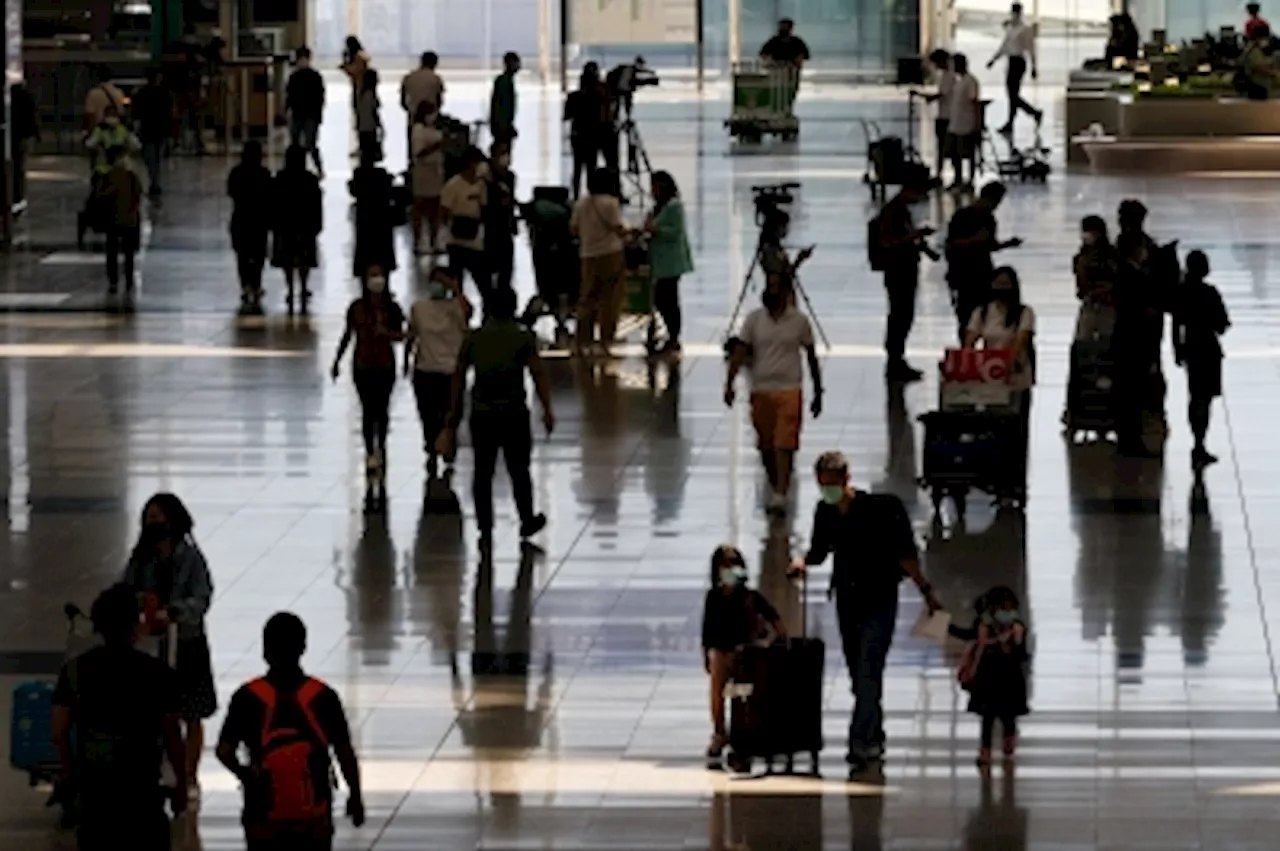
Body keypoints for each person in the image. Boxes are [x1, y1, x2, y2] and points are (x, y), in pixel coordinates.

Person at [793, 451, 942, 775]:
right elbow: (819, 550)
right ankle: (874, 731)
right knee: (858, 676)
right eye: (822, 485)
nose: (827, 491)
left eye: (831, 484)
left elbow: (906, 556)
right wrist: (803, 564)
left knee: (869, 670)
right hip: (847, 602)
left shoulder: (882, 509)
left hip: (880, 600)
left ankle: (860, 741)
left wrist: (926, 592)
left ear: (847, 478)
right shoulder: (826, 511)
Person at [52, 583, 188, 851]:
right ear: (135, 625)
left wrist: (69, 775)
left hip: (96, 794)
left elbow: (59, 732)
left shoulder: (75, 672)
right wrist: (181, 784)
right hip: (142, 791)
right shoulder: (157, 673)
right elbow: (173, 735)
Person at [216, 611, 365, 851]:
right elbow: (344, 751)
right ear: (303, 647)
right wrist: (355, 796)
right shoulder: (323, 695)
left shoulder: (247, 696)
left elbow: (224, 751)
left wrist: (246, 776)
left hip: (262, 813)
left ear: (265, 650)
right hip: (313, 814)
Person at [440, 286, 554, 545]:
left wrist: (453, 412)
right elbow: (537, 374)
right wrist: (547, 409)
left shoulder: (475, 338)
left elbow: (458, 376)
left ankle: (485, 527)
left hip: (482, 414)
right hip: (514, 413)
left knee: (482, 472)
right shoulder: (523, 337)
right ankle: (526, 519)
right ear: (513, 308)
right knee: (519, 470)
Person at [120, 492, 216, 795]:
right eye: (149, 517)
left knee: (193, 712)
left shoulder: (191, 558)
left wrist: (175, 612)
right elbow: (125, 589)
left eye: (159, 517)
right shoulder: (140, 559)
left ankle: (188, 774)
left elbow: (202, 598)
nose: (154, 523)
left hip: (187, 643)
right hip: (151, 645)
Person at [725, 274, 824, 516]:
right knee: (766, 446)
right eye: (768, 287)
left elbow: (811, 355)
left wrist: (818, 390)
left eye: (775, 287)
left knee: (784, 443)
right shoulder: (754, 320)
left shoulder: (799, 322)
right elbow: (740, 351)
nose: (770, 292)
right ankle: (776, 482)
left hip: (790, 388)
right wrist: (729, 382)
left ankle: (780, 492)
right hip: (761, 390)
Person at [701, 545, 786, 767]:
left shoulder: (750, 597)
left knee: (743, 696)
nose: (730, 569)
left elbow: (776, 622)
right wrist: (706, 654)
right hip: (721, 652)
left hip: (746, 654)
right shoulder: (714, 597)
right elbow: (707, 630)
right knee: (716, 693)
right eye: (726, 565)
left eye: (734, 564)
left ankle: (743, 735)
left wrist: (767, 644)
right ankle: (720, 732)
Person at [331, 266, 405, 505]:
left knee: (381, 410)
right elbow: (348, 334)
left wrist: (388, 334)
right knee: (367, 410)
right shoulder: (356, 308)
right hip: (362, 364)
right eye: (372, 275)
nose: (377, 280)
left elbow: (402, 335)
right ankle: (369, 449)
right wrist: (337, 360)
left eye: (379, 275)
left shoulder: (392, 308)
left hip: (385, 364)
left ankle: (381, 446)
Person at [963, 267, 1036, 501]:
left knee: (1018, 431)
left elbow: (1020, 341)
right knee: (993, 429)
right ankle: (995, 477)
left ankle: (1016, 481)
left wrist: (1006, 363)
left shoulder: (1025, 313)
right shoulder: (982, 313)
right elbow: (970, 342)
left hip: (1016, 379)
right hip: (990, 381)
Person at [405, 266, 472, 476]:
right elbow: (412, 334)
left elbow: (468, 312)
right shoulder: (419, 308)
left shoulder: (456, 308)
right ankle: (432, 447)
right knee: (428, 414)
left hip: (451, 371)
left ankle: (448, 443)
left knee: (452, 413)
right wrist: (405, 360)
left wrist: (455, 289)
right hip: (425, 370)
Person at [953, 586, 1031, 767]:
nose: (1007, 612)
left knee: (1008, 716)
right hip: (988, 679)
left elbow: (1022, 655)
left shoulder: (1017, 627)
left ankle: (1009, 739)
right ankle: (985, 750)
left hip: (1010, 679)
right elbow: (966, 635)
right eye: (1003, 607)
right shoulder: (983, 626)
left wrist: (1015, 642)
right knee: (987, 718)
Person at [872, 176, 934, 381]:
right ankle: (894, 359)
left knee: (903, 315)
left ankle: (897, 358)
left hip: (904, 269)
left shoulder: (900, 211)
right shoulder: (892, 212)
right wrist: (913, 236)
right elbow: (888, 242)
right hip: (898, 271)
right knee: (900, 315)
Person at [1174, 250, 1231, 468]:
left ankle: (1197, 441)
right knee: (1205, 398)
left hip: (1190, 349)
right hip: (1208, 349)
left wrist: (1177, 350)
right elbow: (1221, 325)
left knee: (1195, 395)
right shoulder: (1209, 293)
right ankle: (1200, 442)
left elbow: (1176, 324)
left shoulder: (1182, 292)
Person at [945, 182, 1020, 341]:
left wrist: (1007, 244)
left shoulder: (989, 218)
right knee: (966, 316)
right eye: (996, 201)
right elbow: (951, 245)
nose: (996, 206)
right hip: (964, 274)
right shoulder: (962, 217)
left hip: (983, 272)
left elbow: (989, 245)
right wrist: (974, 241)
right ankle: (966, 348)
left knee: (985, 313)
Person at [1064, 215, 1118, 424]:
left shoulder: (1112, 256)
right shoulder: (1081, 257)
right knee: (1081, 348)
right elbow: (1080, 288)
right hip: (1090, 306)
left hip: (1108, 309)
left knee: (1107, 350)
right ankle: (1075, 404)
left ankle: (1107, 398)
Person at [571, 168, 629, 357]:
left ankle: (582, 341)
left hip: (587, 255)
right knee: (610, 300)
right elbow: (618, 228)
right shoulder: (611, 203)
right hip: (611, 254)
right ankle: (605, 341)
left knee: (587, 298)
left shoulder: (581, 204)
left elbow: (573, 229)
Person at [645, 170, 694, 355]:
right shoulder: (657, 207)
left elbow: (675, 231)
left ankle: (674, 336)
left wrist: (656, 229)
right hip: (659, 260)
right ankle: (668, 332)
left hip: (672, 260)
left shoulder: (675, 206)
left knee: (668, 299)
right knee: (661, 298)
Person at [271, 145, 322, 311]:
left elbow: (274, 202)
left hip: (285, 224)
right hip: (305, 223)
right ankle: (304, 285)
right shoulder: (310, 179)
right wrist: (317, 223)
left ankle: (290, 287)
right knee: (305, 257)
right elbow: (317, 204)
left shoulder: (280, 178)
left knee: (287, 258)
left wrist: (273, 223)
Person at [228, 141, 274, 314]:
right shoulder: (264, 173)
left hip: (240, 218)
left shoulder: (236, 173)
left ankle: (245, 284)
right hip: (259, 220)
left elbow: (231, 192)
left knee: (242, 255)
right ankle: (256, 283)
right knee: (258, 255)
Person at [440, 146, 490, 300]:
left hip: (475, 239)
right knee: (457, 280)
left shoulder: (481, 185)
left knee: (482, 279)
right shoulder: (453, 185)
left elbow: (484, 207)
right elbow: (444, 210)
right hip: (456, 240)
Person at [987, 3, 1042, 135]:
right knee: (1012, 94)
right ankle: (1031, 114)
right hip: (1011, 61)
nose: (1014, 15)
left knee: (1013, 94)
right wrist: (994, 59)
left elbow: (1031, 49)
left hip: (1019, 62)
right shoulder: (1010, 29)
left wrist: (1034, 67)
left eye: (1016, 12)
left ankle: (1021, 117)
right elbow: (1004, 47)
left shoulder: (1025, 29)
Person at [102, 145, 143, 299]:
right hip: (129, 220)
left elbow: (100, 196)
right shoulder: (131, 177)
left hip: (113, 219)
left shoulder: (107, 176)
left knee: (112, 252)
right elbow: (138, 195)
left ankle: (114, 280)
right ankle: (128, 279)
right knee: (128, 252)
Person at [350, 148, 397, 281]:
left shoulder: (358, 173)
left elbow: (354, 191)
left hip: (365, 217)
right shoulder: (382, 174)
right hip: (381, 217)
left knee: (365, 251)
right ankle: (385, 282)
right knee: (383, 252)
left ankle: (365, 281)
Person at [564, 63, 609, 198]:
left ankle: (576, 197)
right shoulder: (599, 97)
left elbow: (566, 116)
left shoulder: (573, 97)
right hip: (593, 136)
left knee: (577, 168)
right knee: (591, 168)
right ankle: (591, 197)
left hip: (578, 136)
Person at [410, 100, 446, 256]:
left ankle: (434, 240)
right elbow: (419, 152)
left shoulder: (434, 129)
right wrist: (438, 145)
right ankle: (419, 242)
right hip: (423, 174)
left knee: (435, 210)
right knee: (421, 208)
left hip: (436, 174)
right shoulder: (418, 130)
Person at [132, 67, 173, 198]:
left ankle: (154, 181)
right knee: (158, 158)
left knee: (150, 159)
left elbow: (136, 113)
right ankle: (155, 182)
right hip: (161, 130)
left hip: (147, 130)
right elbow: (170, 114)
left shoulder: (141, 93)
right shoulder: (166, 94)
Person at [286, 46, 326, 176]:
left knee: (310, 143)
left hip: (309, 115)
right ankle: (301, 168)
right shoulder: (299, 77)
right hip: (301, 114)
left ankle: (318, 168)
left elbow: (320, 98)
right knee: (299, 144)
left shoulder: (312, 77)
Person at [485, 141, 519, 291]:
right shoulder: (486, 178)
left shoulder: (510, 177)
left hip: (506, 225)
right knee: (490, 266)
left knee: (507, 266)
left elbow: (511, 201)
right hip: (491, 225)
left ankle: (504, 294)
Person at [402, 51, 445, 166]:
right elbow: (440, 101)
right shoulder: (436, 79)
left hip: (413, 119)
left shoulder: (409, 77)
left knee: (413, 154)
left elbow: (403, 101)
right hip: (432, 122)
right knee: (431, 154)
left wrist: (412, 111)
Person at [945, 54, 981, 190]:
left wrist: (977, 123)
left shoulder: (971, 81)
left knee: (968, 152)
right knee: (954, 152)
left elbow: (975, 102)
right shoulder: (958, 82)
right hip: (955, 122)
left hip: (966, 123)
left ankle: (970, 180)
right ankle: (958, 178)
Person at [925, 49, 955, 181]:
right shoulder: (945, 75)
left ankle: (941, 173)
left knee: (944, 145)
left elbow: (943, 93)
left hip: (947, 115)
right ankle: (939, 172)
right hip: (944, 113)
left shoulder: (949, 76)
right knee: (942, 146)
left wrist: (928, 97)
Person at [490, 51, 521, 147]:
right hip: (501, 127)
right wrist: (504, 127)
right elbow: (500, 107)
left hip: (503, 126)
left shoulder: (507, 81)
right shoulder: (504, 82)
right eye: (516, 63)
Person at [1239, 23, 1278, 99]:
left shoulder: (1257, 49)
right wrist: (1275, 73)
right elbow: (1259, 68)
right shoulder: (1253, 51)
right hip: (1257, 87)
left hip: (1260, 86)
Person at [83, 67, 126, 132]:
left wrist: (90, 132)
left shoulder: (93, 94)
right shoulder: (119, 92)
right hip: (116, 131)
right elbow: (122, 112)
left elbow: (91, 116)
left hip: (99, 131)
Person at [341, 36, 371, 125]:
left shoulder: (359, 57)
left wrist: (345, 65)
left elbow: (354, 71)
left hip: (360, 86)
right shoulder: (362, 55)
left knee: (360, 110)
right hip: (360, 86)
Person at [356, 67, 383, 163]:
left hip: (362, 126)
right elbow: (373, 111)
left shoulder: (361, 94)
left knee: (365, 152)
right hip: (370, 126)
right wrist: (380, 125)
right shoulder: (370, 94)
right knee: (370, 152)